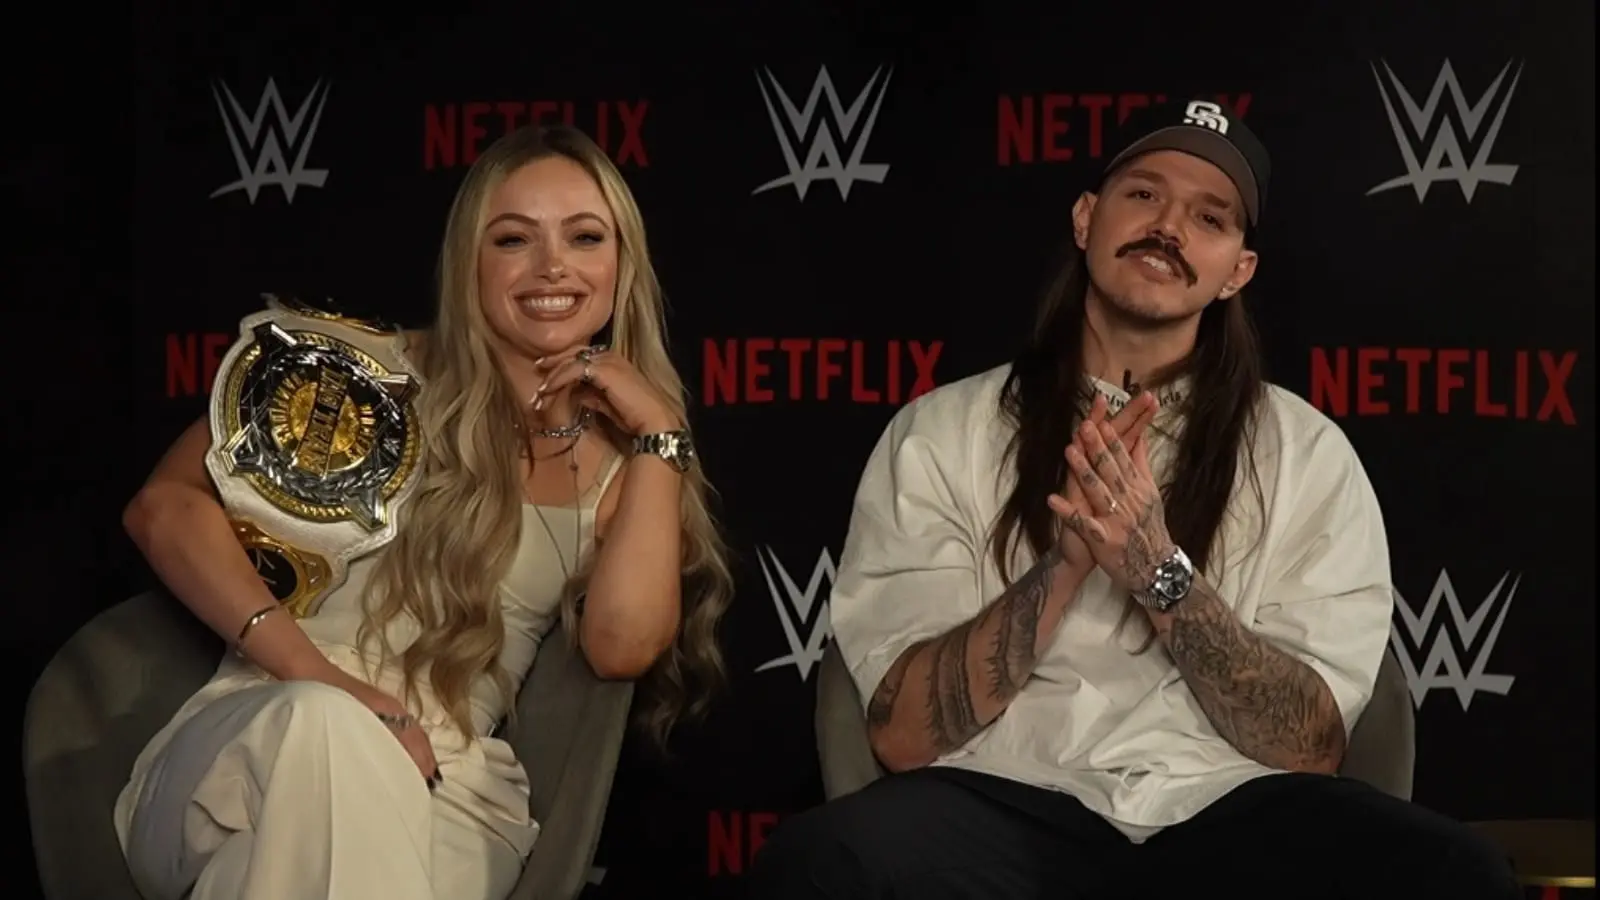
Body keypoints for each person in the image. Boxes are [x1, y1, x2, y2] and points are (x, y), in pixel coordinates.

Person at [748, 102, 1519, 898]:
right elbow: (904, 735)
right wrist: (1064, 566)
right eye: (1144, 194)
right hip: (1005, 795)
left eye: (1209, 217)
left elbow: (1309, 747)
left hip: (1228, 803)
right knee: (822, 862)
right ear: (1087, 219)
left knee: (1456, 874)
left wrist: (1157, 569)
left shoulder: (1305, 450)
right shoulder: (943, 432)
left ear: (1238, 271)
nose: (1169, 227)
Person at [114, 125, 733, 900]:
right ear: (470, 259)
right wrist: (323, 682)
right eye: (514, 239)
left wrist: (660, 436)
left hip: (448, 782)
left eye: (584, 237)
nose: (553, 266)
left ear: (622, 263)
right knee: (323, 727)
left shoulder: (623, 464)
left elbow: (622, 648)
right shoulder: (355, 375)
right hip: (257, 733)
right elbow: (164, 508)